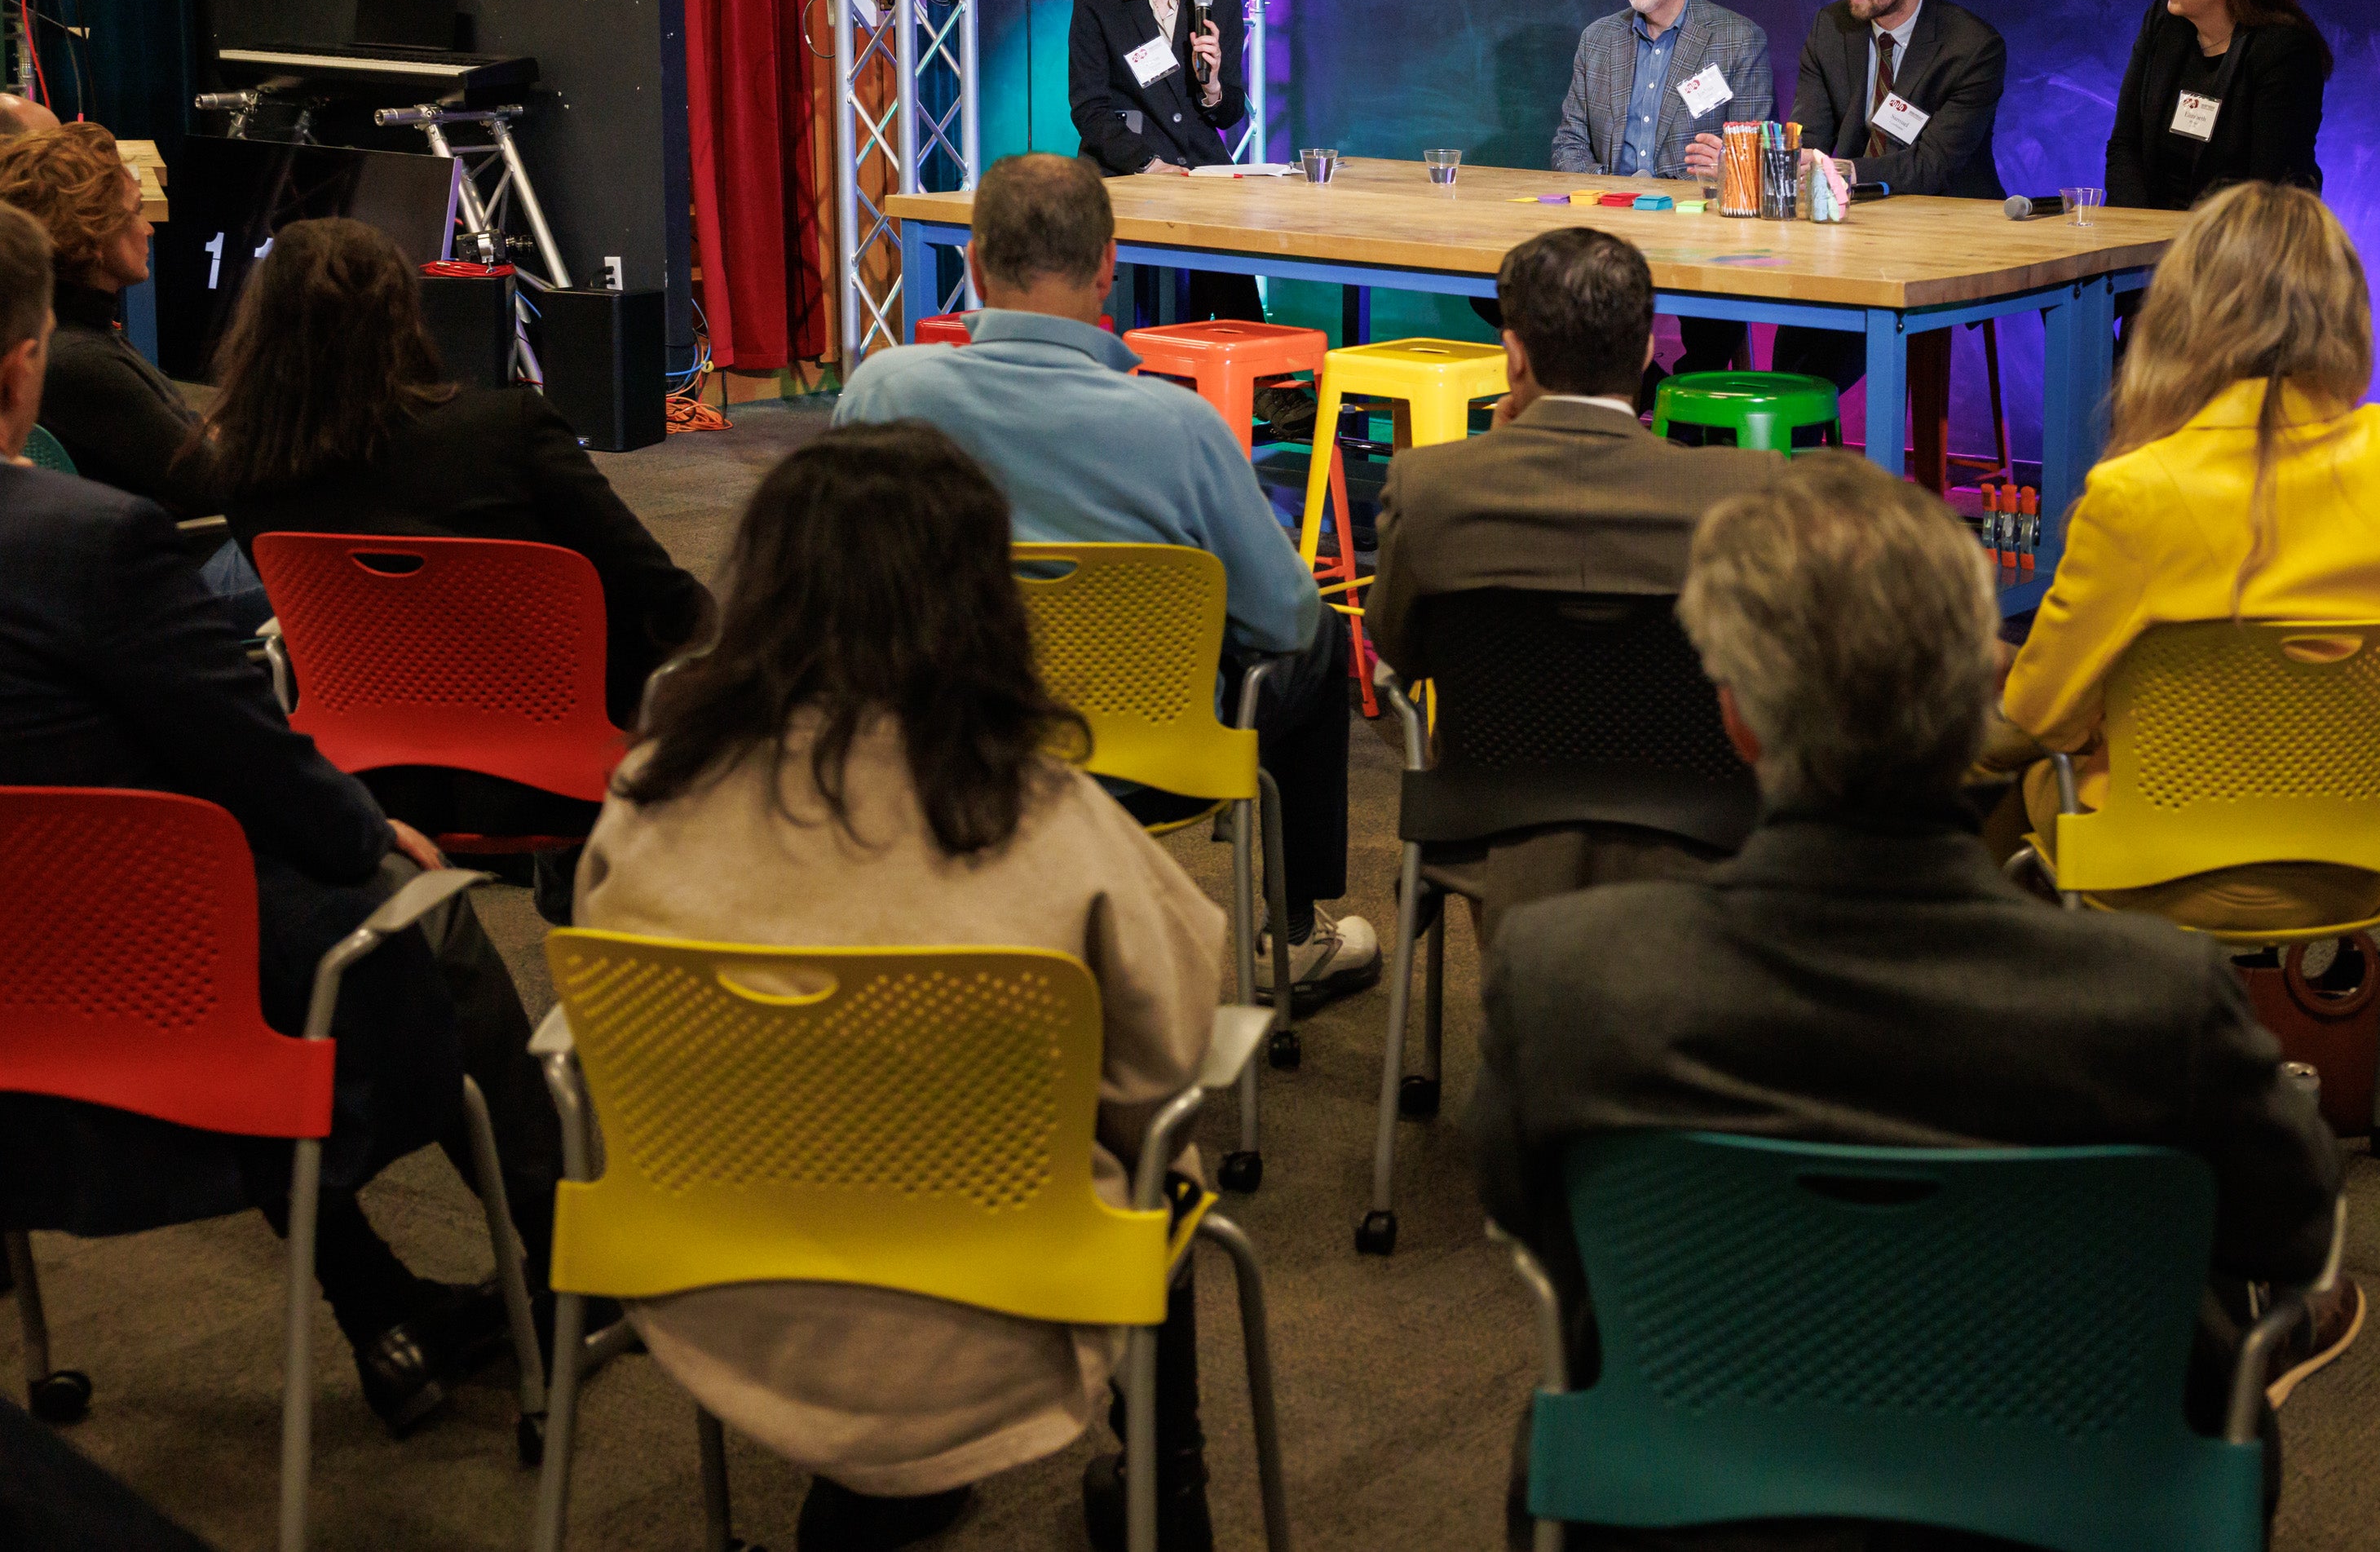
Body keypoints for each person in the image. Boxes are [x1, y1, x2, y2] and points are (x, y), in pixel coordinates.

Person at [1477, 454, 2346, 1546]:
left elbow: (1523, 1211)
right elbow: (2295, 1224)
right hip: (2080, 1505)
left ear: (1739, 719)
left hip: (1686, 1502)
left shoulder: (1567, 976)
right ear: (1982, 697)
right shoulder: (2156, 1003)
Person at [576, 423, 1228, 1552]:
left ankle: (882, 1502)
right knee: (1164, 1153)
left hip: (712, 1278)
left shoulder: (649, 795)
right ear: (980, 604)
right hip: (994, 1306)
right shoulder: (1042, 817)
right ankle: (1169, 1495)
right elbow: (1170, 1052)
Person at [0, 203, 549, 1438]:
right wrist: (364, 832)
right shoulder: (92, 545)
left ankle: (382, 1309)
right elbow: (245, 746)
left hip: (29, 973)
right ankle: (563, 1264)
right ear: (22, 364)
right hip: (148, 968)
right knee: (424, 938)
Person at [834, 151, 1378, 997]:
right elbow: (1283, 619)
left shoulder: (879, 396)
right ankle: (1293, 933)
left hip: (938, 741)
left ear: (973, 267)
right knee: (1317, 643)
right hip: (1146, 765)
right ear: (1109, 268)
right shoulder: (1182, 426)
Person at [1993, 183, 2380, 930]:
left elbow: (2047, 715)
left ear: (2184, 315)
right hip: (2357, 861)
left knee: (1991, 777)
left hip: (2155, 863)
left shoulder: (2133, 491)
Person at [204, 219, 713, 859]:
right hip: (559, 770)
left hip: (363, 779)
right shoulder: (507, 429)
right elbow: (660, 597)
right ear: (403, 316)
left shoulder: (244, 469)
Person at [1367, 227, 1784, 943]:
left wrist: (1494, 448)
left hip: (1485, 821)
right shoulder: (1745, 496)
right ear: (1650, 349)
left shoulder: (1432, 488)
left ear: (1514, 357)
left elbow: (1398, 647)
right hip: (1704, 824)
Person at [0, 122, 267, 626]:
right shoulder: (84, 361)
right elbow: (217, 484)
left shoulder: (84, 337)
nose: (148, 229)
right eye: (137, 213)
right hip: (169, 582)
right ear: (93, 230)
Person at [1773, 0, 2010, 463]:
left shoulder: (1971, 47)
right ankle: (1783, 471)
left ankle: (1791, 473)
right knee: (1795, 339)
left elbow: (1932, 167)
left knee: (1822, 352)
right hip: (1848, 230)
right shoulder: (1832, 28)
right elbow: (1811, 137)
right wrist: (1802, 161)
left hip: (1941, 236)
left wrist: (1843, 169)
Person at [1543, 0, 1773, 382]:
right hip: (1604, 220)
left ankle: (1680, 407)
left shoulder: (1737, 39)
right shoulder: (1599, 39)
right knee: (1503, 287)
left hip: (1695, 233)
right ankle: (1639, 388)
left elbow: (1753, 161)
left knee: (1719, 306)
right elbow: (1568, 142)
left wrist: (1727, 168)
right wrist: (1610, 194)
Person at [1068, 0, 1256, 325]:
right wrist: (1150, 165)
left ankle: (1266, 386)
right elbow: (1090, 108)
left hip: (1200, 173)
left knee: (1232, 266)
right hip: (1125, 170)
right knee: (1147, 296)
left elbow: (1230, 110)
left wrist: (1213, 86)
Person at [2104, 0, 2330, 214]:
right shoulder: (2164, 21)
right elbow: (2124, 145)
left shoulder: (2284, 50)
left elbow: (2267, 185)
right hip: (2148, 241)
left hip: (2236, 245)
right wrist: (2139, 236)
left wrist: (2190, 246)